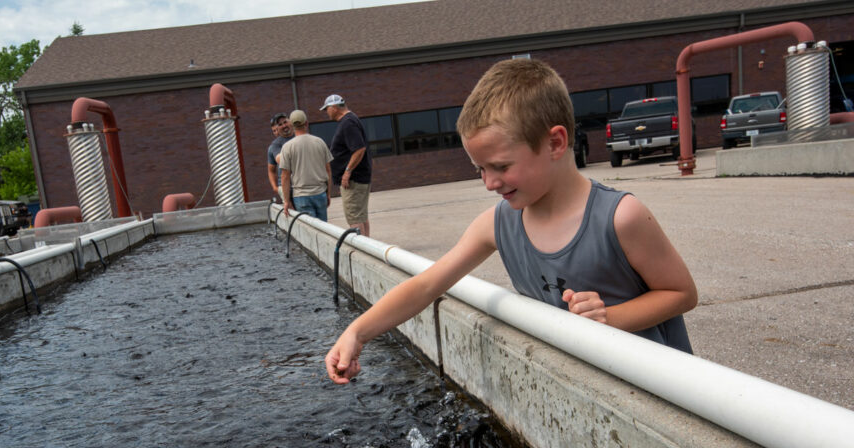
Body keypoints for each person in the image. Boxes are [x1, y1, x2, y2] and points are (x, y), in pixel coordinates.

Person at [325, 58, 697, 384]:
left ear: (554, 143)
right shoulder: (498, 223)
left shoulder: (620, 217)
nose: (489, 183)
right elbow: (426, 286)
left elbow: (682, 294)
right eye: (480, 169)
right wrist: (357, 333)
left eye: (501, 166)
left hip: (658, 388)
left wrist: (608, 319)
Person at [320, 94, 372, 237]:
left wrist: (347, 172)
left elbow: (359, 148)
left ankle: (362, 250)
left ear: (334, 108)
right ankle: (368, 247)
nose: (327, 113)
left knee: (354, 217)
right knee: (361, 215)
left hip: (353, 181)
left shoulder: (347, 122)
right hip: (359, 178)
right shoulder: (351, 119)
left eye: (327, 109)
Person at [279, 109, 333, 222]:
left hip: (301, 196)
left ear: (292, 126)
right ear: (307, 123)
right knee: (324, 230)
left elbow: (285, 176)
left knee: (309, 233)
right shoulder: (320, 142)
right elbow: (328, 170)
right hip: (320, 193)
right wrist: (328, 194)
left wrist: (286, 201)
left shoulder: (287, 147)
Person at [266, 112, 294, 201]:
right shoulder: (274, 147)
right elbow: (271, 170)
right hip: (285, 186)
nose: (276, 132)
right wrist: (275, 187)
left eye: (285, 122)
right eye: (274, 131)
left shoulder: (299, 137)